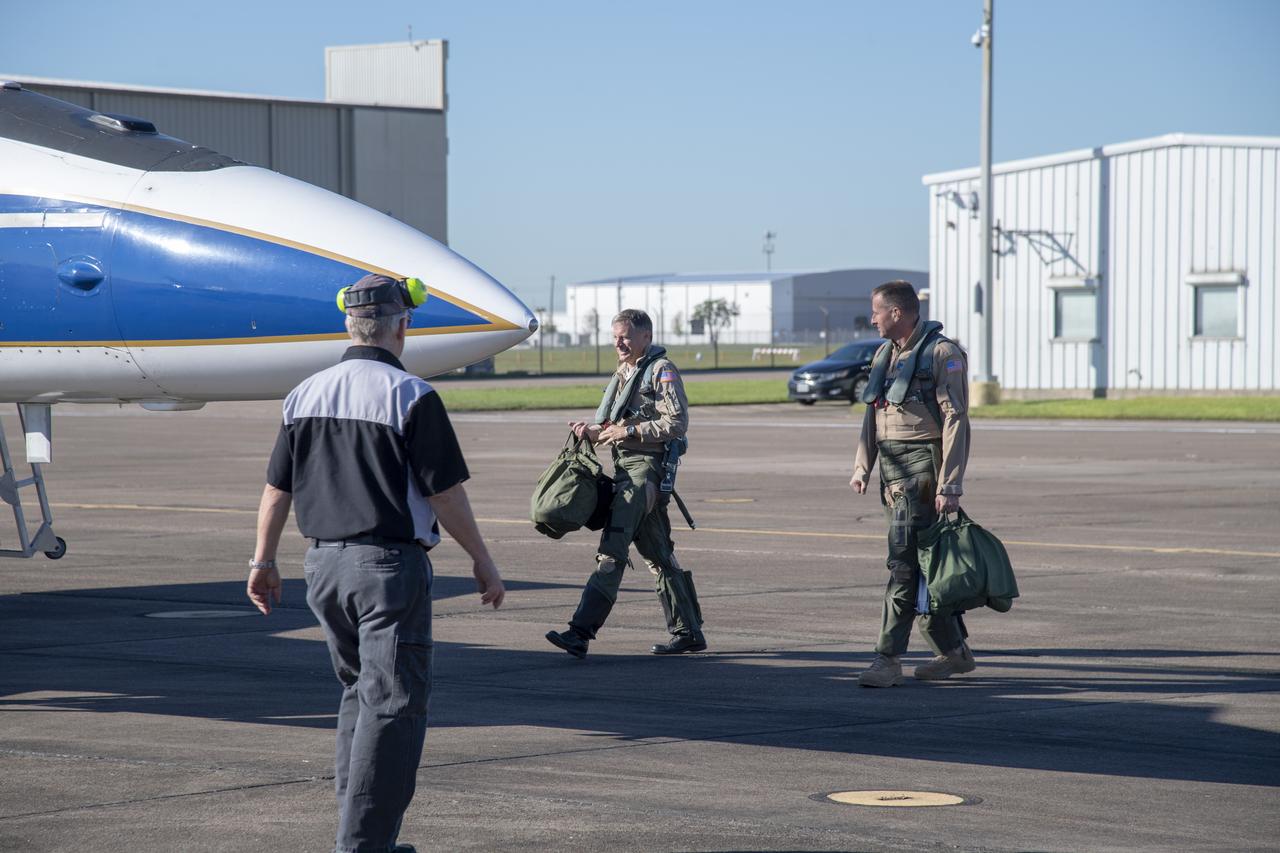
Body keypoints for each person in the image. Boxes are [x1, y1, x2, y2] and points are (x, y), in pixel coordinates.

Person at [247, 273, 506, 853]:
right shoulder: (411, 395)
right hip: (387, 570)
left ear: (349, 324)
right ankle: (362, 846)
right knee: (392, 707)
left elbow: (275, 490)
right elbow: (445, 496)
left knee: (358, 695)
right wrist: (483, 561)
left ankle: (362, 836)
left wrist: (262, 560)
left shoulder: (305, 394)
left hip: (323, 570)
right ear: (402, 326)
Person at [544, 309, 706, 658]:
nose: (619, 342)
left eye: (626, 336)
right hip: (625, 470)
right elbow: (613, 425)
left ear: (646, 337)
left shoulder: (661, 371)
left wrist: (630, 431)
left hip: (643, 474)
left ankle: (580, 632)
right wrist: (590, 431)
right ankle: (689, 631)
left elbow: (677, 423)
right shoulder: (625, 372)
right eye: (615, 335)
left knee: (612, 551)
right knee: (660, 556)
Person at [849, 280, 974, 687]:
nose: (872, 319)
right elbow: (873, 413)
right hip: (891, 469)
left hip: (923, 469)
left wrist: (949, 485)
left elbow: (955, 420)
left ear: (897, 313)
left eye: (876, 312)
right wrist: (862, 466)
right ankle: (954, 652)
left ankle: (887, 659)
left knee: (902, 564)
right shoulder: (885, 353)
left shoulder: (942, 353)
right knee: (926, 565)